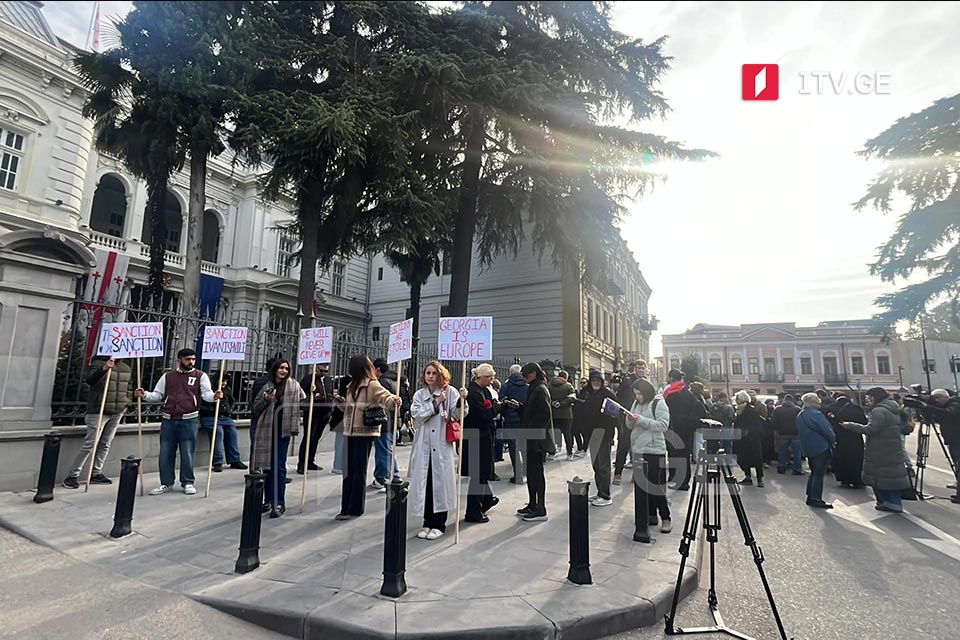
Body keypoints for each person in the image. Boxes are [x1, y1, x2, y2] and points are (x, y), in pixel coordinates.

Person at [137, 348, 221, 496]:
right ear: (179, 360)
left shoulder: (200, 375)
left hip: (189, 419)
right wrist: (144, 394)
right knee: (165, 453)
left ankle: (187, 482)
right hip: (168, 419)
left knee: (187, 452)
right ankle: (166, 483)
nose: (191, 362)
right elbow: (157, 395)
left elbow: (206, 394)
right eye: (188, 359)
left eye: (193, 359)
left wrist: (214, 396)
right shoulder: (168, 376)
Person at [335, 356, 402, 520]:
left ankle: (355, 508)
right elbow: (351, 410)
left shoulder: (371, 384)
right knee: (348, 471)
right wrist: (341, 403)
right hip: (349, 432)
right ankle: (346, 506)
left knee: (358, 470)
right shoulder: (352, 386)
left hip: (364, 432)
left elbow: (384, 396)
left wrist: (393, 400)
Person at [408, 362, 468, 540]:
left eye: (434, 373)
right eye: (428, 373)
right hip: (423, 445)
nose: (431, 376)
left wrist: (461, 401)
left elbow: (458, 415)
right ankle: (427, 522)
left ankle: (439, 523)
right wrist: (436, 402)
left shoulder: (451, 392)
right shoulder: (420, 394)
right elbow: (417, 415)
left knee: (440, 484)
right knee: (424, 484)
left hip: (441, 445)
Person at [62, 356, 134, 488]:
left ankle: (96, 472)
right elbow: (90, 380)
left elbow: (129, 387)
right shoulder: (98, 362)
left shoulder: (126, 367)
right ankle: (72, 475)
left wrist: (126, 404)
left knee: (106, 443)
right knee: (90, 443)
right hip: (98, 410)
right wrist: (104, 368)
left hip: (116, 411)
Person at [839, 387, 912, 513]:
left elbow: (871, 430)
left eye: (869, 397)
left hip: (880, 447)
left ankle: (888, 502)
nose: (867, 400)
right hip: (891, 446)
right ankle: (894, 502)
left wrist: (850, 425)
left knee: (880, 476)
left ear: (875, 397)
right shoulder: (893, 408)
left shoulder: (879, 411)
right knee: (890, 475)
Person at [251, 359, 306, 517]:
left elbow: (303, 400)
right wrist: (266, 400)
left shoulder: (293, 385)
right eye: (281, 368)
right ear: (275, 369)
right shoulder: (266, 386)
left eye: (286, 368)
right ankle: (268, 500)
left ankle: (279, 502)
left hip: (284, 431)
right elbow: (255, 409)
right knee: (266, 466)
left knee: (278, 466)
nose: (283, 371)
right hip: (267, 430)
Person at [625, 378, 672, 532]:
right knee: (642, 486)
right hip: (638, 448)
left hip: (654, 450)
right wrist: (630, 419)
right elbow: (630, 425)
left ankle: (666, 517)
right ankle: (650, 515)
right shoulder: (636, 404)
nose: (637, 397)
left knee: (655, 486)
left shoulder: (659, 403)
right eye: (635, 394)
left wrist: (642, 420)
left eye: (639, 394)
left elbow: (663, 425)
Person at [462, 363, 502, 523]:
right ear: (483, 377)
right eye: (490, 378)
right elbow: (483, 415)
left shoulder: (481, 391)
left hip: (481, 436)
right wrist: (498, 408)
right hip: (476, 437)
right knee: (478, 474)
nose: (492, 381)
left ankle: (486, 499)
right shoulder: (473, 392)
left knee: (482, 472)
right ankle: (473, 511)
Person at [517, 362, 556, 522]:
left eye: (525, 375)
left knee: (536, 475)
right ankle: (533, 504)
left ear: (533, 374)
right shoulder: (534, 388)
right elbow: (530, 412)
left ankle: (540, 508)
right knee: (532, 474)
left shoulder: (540, 389)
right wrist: (520, 408)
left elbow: (543, 415)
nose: (524, 379)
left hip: (536, 440)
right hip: (532, 437)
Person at [582, 370, 618, 507]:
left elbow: (615, 416)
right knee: (596, 465)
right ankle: (599, 491)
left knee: (604, 466)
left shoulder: (608, 395)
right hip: (592, 435)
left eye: (598, 381)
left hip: (604, 435)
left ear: (602, 382)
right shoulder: (589, 394)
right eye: (593, 381)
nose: (595, 383)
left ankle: (605, 495)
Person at [918, 389, 960, 503]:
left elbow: (948, 413)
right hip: (953, 441)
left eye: (938, 398)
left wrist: (928, 407)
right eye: (934, 398)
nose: (936, 401)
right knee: (957, 465)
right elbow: (938, 417)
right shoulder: (945, 407)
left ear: (945, 397)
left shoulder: (955, 403)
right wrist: (925, 411)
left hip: (957, 440)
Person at [796, 393, 836, 509]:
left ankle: (810, 496)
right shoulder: (816, 414)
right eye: (818, 400)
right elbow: (826, 429)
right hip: (820, 446)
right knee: (818, 473)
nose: (820, 402)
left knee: (814, 472)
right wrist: (833, 439)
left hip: (808, 447)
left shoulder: (801, 414)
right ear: (813, 402)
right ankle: (816, 498)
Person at [199, 375, 246, 472]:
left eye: (226, 381)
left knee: (232, 434)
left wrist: (229, 410)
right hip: (211, 417)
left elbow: (231, 401)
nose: (224, 383)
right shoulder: (208, 389)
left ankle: (234, 460)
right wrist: (212, 409)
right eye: (222, 381)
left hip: (226, 418)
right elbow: (201, 405)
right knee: (218, 434)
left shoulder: (227, 389)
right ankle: (217, 462)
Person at [297, 363, 334, 474]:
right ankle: (302, 463)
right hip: (313, 412)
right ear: (316, 367)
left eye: (325, 371)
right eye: (321, 370)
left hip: (325, 412)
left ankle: (310, 461)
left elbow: (330, 393)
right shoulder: (308, 380)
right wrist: (312, 395)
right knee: (308, 437)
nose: (323, 373)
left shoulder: (328, 380)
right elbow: (301, 396)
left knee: (316, 437)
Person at [371, 358, 402, 490]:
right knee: (388, 449)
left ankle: (387, 476)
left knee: (384, 450)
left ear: (377, 370)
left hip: (384, 421)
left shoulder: (382, 382)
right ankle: (386, 475)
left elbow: (381, 402)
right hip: (394, 420)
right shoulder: (395, 381)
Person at [663, 369, 696, 490]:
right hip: (686, 428)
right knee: (685, 455)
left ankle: (675, 479)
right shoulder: (688, 392)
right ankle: (684, 482)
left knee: (674, 454)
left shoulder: (669, 392)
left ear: (671, 378)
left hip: (673, 427)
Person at [824, 396, 866, 488]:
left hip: (838, 437)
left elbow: (827, 423)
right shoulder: (856, 409)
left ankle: (844, 479)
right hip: (854, 437)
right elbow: (864, 422)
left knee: (840, 458)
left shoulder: (830, 409)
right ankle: (857, 480)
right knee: (856, 458)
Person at [499, 364, 528, 483]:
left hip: (511, 420)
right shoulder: (527, 386)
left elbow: (502, 401)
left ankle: (518, 475)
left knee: (513, 448)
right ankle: (527, 471)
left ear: (510, 373)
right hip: (524, 420)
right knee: (524, 447)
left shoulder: (506, 386)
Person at [733, 390, 765, 487]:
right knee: (743, 458)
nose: (736, 401)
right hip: (743, 439)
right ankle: (748, 477)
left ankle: (759, 479)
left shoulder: (750, 410)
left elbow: (756, 425)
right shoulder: (740, 410)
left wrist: (747, 432)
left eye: (737, 399)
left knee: (756, 459)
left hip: (751, 439)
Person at [549, 370, 578, 461]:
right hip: (566, 414)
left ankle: (552, 452)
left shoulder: (549, 385)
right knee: (567, 434)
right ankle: (569, 453)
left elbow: (546, 397)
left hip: (553, 414)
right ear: (566, 377)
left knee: (554, 433)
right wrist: (561, 404)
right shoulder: (569, 386)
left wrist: (553, 403)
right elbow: (572, 398)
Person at [770, 395, 802, 475]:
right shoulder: (797, 409)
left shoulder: (778, 409)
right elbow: (801, 421)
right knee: (797, 452)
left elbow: (773, 422)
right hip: (796, 433)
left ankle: (781, 467)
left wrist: (778, 429)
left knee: (782, 451)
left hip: (782, 433)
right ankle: (797, 469)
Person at [249, 357, 278, 446]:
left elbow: (251, 401)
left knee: (255, 449)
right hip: (267, 419)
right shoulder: (272, 382)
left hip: (256, 418)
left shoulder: (258, 381)